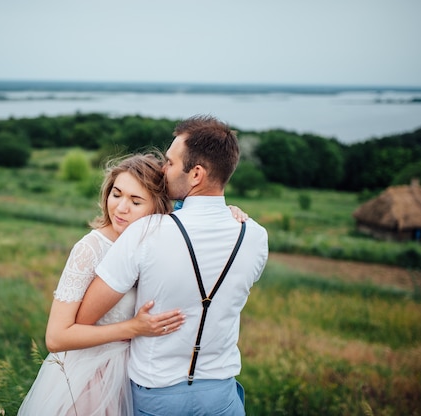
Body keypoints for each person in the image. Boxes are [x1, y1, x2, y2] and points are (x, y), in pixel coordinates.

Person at [18, 152, 249, 416]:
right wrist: (132, 328)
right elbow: (56, 337)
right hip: (92, 379)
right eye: (116, 194)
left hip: (144, 379)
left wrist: (228, 212)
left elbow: (199, 215)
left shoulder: (162, 241)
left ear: (158, 207)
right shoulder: (90, 249)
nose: (120, 208)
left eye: (135, 201)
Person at [77, 115, 269, 416]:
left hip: (156, 398)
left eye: (169, 162)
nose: (163, 169)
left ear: (195, 174)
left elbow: (86, 315)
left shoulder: (147, 232)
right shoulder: (255, 236)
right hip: (222, 397)